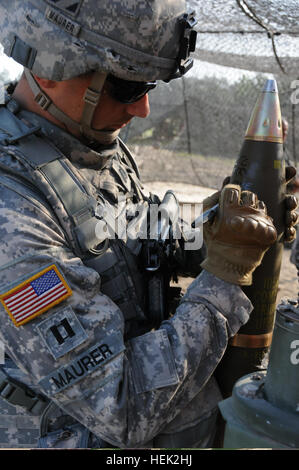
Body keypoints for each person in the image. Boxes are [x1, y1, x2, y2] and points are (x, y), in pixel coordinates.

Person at [0, 0, 297, 449]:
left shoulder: (97, 149)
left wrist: (218, 229)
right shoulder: (13, 211)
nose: (141, 110)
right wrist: (225, 272)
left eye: (149, 87)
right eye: (124, 87)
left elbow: (139, 238)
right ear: (51, 68)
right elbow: (118, 407)